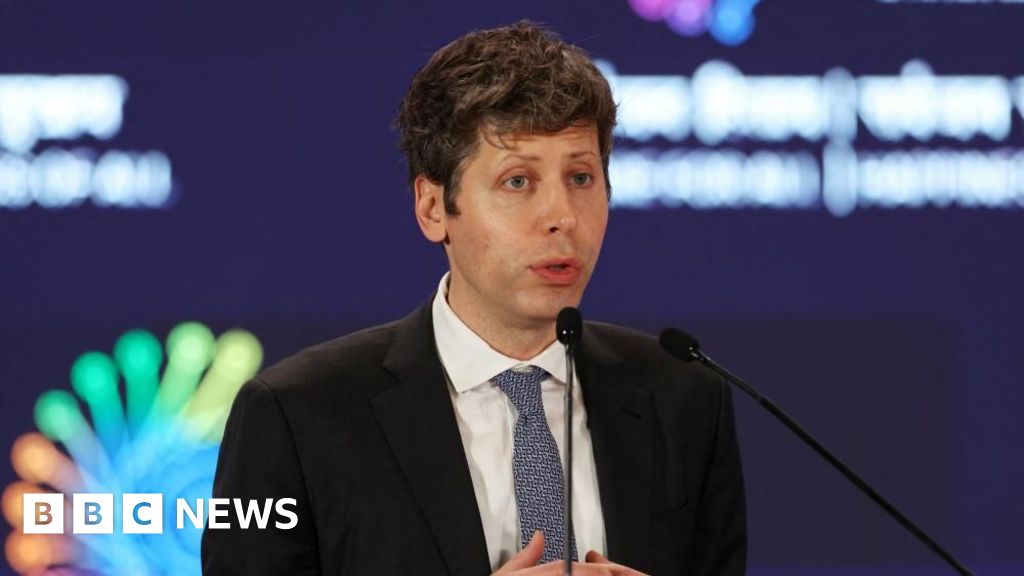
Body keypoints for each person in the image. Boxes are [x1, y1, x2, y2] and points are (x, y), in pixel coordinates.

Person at [201, 21, 746, 576]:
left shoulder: (684, 398)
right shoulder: (296, 415)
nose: (562, 217)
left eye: (581, 178)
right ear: (433, 208)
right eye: (518, 181)